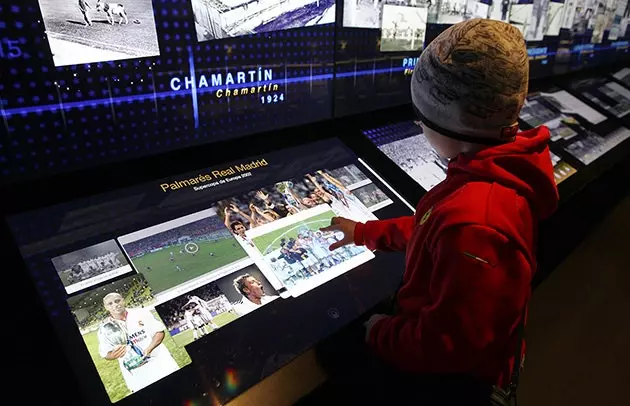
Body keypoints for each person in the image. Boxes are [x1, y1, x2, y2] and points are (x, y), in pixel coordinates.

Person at [321, 19, 558, 404]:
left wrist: (379, 331)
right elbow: (433, 227)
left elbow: (446, 347)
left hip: (446, 385)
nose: (419, 127)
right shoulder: (490, 176)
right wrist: (366, 233)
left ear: (454, 125)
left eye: (423, 120)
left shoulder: (477, 223)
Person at [97, 292, 179, 393]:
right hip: (138, 376)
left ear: (123, 300)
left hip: (162, 365)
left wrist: (149, 349)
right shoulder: (105, 328)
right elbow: (106, 354)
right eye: (110, 304)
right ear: (106, 307)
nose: (115, 305)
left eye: (117, 301)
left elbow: (159, 332)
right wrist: (113, 355)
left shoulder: (141, 313)